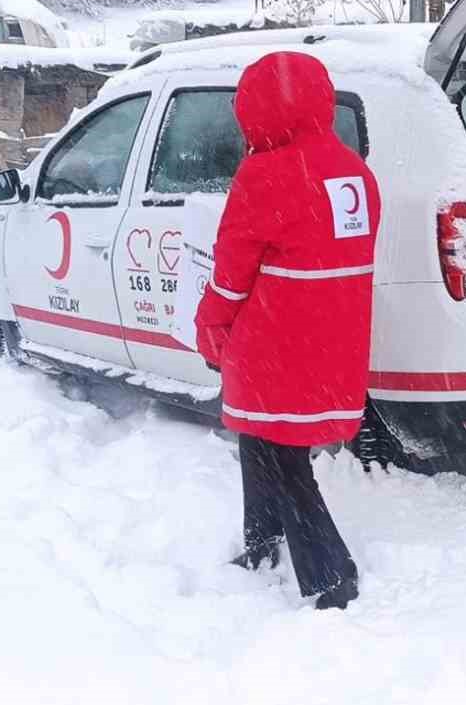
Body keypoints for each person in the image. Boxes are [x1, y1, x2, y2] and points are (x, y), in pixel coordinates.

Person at [195, 51, 382, 609]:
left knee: (283, 456)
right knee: (259, 439)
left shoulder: (266, 174)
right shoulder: (355, 170)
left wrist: (211, 330)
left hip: (275, 340)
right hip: (333, 338)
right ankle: (262, 541)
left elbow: (230, 275)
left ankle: (331, 576)